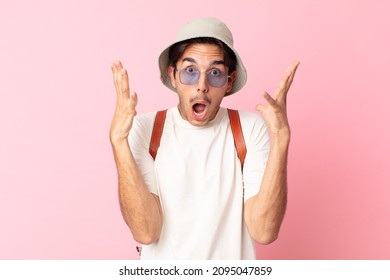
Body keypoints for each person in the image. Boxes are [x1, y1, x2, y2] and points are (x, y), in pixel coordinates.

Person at [109, 17, 299, 259]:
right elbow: (146, 232)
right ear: (173, 76)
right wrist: (119, 142)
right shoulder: (146, 129)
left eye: (215, 73)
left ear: (228, 82)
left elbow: (264, 232)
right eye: (190, 71)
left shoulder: (250, 129)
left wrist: (281, 139)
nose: (202, 86)